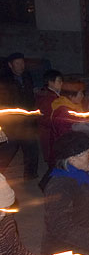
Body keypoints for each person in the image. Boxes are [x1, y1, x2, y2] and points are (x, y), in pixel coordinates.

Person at [0, 52, 39, 180]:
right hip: (13, 122)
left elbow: (30, 97)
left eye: (22, 63)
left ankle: (30, 175)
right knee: (9, 149)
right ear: (10, 65)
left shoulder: (27, 77)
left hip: (27, 120)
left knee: (31, 148)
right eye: (17, 63)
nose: (21, 66)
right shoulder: (5, 80)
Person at [36, 69, 64, 167]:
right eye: (59, 81)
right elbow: (44, 118)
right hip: (49, 133)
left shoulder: (54, 96)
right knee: (54, 161)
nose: (61, 83)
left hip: (53, 132)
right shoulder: (47, 98)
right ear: (50, 82)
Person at [49, 81, 86, 145]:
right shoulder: (63, 113)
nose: (83, 96)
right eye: (80, 93)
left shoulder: (76, 106)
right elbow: (66, 136)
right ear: (71, 96)